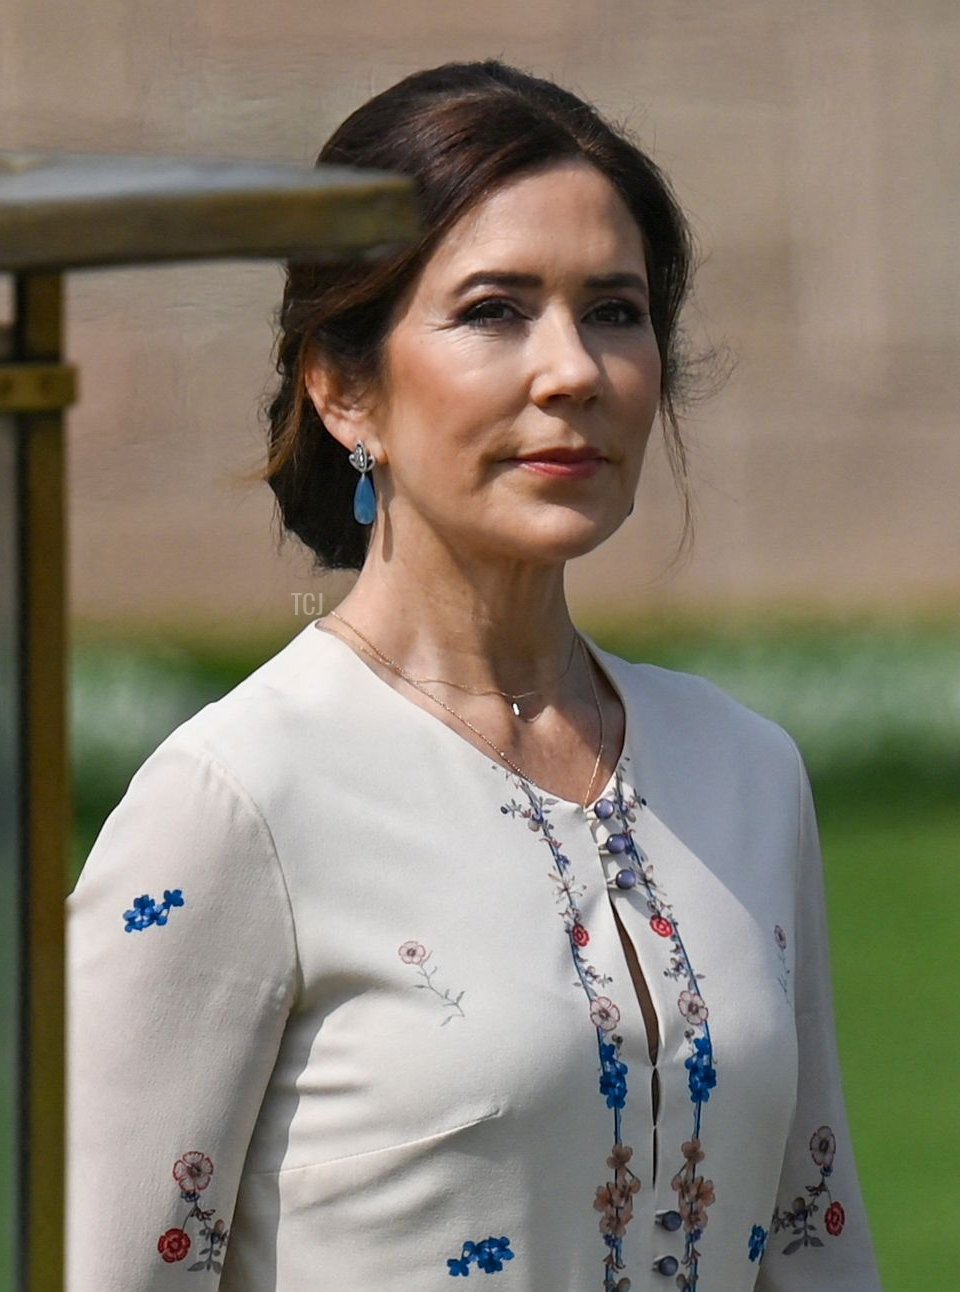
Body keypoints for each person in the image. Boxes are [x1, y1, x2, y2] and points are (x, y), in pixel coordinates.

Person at [67, 60, 882, 1292]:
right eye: (497, 308)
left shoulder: (745, 770)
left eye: (614, 310)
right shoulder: (242, 800)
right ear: (344, 388)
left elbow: (816, 1238)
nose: (573, 371)